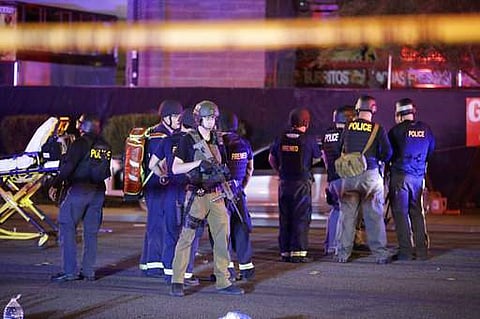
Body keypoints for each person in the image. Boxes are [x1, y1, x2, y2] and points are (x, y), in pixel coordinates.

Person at [169, 100, 244, 297]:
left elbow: (223, 165)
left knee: (222, 239)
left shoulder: (218, 140)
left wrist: (227, 175)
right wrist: (198, 165)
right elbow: (175, 168)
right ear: (198, 119)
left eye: (213, 118)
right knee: (186, 238)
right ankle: (177, 280)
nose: (211, 121)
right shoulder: (188, 140)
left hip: (217, 195)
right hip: (197, 195)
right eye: (207, 118)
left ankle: (223, 280)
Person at [49, 114, 111, 282]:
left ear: (85, 126)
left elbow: (68, 166)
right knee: (91, 233)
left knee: (67, 225)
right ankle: (88, 271)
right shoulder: (105, 145)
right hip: (98, 192)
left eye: (80, 122)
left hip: (79, 190)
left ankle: (70, 271)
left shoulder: (79, 143)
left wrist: (55, 184)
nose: (77, 124)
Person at [336, 95, 392, 264]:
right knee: (374, 215)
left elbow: (340, 147)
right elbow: (388, 153)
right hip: (371, 175)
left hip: (350, 175)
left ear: (357, 109)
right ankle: (380, 254)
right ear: (373, 109)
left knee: (348, 215)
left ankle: (343, 254)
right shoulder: (377, 128)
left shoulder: (348, 126)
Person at [149, 107, 203, 285]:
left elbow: (152, 165)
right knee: (189, 234)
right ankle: (186, 274)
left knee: (171, 232)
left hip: (171, 192)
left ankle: (169, 273)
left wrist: (163, 175)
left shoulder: (167, 140)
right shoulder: (196, 142)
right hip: (190, 191)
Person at [268, 107, 321, 263]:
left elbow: (271, 158)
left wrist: (279, 171)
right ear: (306, 121)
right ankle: (298, 252)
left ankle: (285, 251)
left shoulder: (281, 138)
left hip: (284, 183)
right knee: (301, 217)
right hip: (301, 184)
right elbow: (317, 158)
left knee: (285, 218)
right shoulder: (308, 140)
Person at [139, 100, 183, 278]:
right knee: (157, 225)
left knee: (156, 224)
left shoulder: (160, 133)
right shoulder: (159, 136)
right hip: (157, 186)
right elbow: (157, 163)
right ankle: (154, 265)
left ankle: (148, 262)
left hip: (158, 187)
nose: (179, 119)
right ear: (166, 118)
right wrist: (165, 174)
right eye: (176, 116)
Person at [388, 98, 435, 260]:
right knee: (417, 213)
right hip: (418, 178)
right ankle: (422, 251)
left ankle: (406, 251)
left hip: (400, 177)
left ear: (399, 115)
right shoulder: (426, 129)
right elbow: (430, 151)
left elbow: (388, 154)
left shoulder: (395, 131)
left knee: (400, 214)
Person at [218, 111, 255, 280]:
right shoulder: (244, 143)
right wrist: (241, 186)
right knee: (241, 229)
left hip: (220, 194)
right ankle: (246, 268)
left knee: (220, 232)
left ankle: (228, 271)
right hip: (238, 193)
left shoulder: (218, 144)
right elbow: (249, 169)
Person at [321, 105, 355, 255]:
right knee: (344, 212)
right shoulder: (346, 135)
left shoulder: (328, 134)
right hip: (343, 178)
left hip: (331, 177)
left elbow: (324, 156)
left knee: (335, 210)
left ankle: (330, 245)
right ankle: (338, 246)